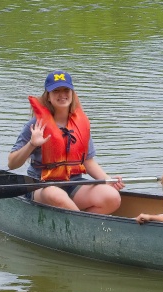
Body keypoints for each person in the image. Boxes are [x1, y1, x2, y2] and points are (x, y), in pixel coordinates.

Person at [8, 70, 124, 214]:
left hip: (73, 184)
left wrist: (108, 179)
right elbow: (12, 163)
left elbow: (88, 162)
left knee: (112, 196)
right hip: (41, 186)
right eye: (56, 91)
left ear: (72, 93)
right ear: (48, 97)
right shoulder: (35, 125)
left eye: (66, 90)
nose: (62, 95)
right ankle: (84, 227)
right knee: (55, 194)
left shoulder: (79, 125)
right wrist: (31, 144)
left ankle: (76, 222)